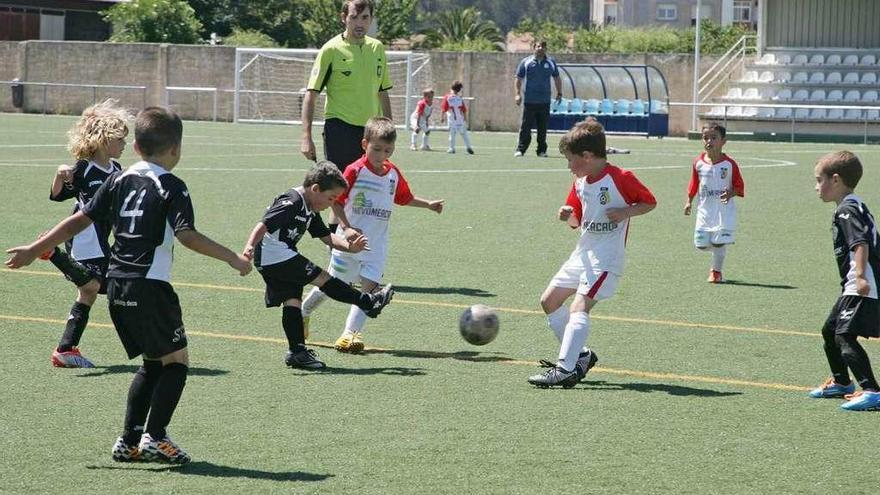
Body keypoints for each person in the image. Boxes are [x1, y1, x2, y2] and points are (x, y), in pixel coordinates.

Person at [6, 106, 253, 463]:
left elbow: (79, 219)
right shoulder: (171, 185)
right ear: (176, 149)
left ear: (136, 147)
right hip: (149, 285)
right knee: (177, 362)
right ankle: (156, 436)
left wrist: (35, 249)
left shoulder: (119, 179)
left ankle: (129, 440)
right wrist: (232, 257)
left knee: (154, 363)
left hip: (117, 283)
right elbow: (187, 235)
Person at [529, 119, 656, 388]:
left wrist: (625, 212)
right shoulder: (579, 182)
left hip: (606, 257)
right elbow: (577, 222)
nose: (569, 166)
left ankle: (565, 369)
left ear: (587, 157)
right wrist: (567, 215)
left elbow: (649, 202)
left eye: (570, 160)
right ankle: (582, 355)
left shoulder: (621, 178)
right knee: (549, 301)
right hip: (582, 254)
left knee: (579, 307)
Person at [300, 117, 444, 353]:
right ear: (365, 144)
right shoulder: (354, 171)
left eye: (387, 150)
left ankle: (350, 334)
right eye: (376, 149)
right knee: (334, 285)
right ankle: (305, 311)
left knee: (368, 289)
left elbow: (404, 198)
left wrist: (428, 204)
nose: (381, 155)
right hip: (349, 243)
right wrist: (346, 228)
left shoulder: (393, 173)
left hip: (376, 246)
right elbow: (335, 201)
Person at [243, 161, 396, 369]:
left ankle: (297, 352)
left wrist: (352, 247)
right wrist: (249, 246)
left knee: (292, 301)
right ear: (315, 189)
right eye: (330, 198)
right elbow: (263, 224)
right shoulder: (292, 201)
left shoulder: (310, 207)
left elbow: (327, 237)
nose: (331, 203)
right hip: (274, 255)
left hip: (278, 256)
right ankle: (367, 302)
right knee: (322, 277)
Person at [41, 99, 129, 369]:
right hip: (84, 233)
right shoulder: (83, 168)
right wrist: (59, 174)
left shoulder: (116, 170)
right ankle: (52, 252)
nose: (125, 144)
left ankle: (65, 350)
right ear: (104, 140)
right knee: (92, 285)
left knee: (91, 292)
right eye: (120, 139)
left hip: (104, 236)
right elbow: (57, 196)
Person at [301, 0, 393, 234]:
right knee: (338, 189)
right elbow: (311, 95)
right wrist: (306, 136)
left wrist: (389, 130)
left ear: (371, 19)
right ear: (344, 17)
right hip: (339, 128)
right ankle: (336, 246)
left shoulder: (377, 48)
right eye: (354, 17)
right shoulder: (331, 50)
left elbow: (383, 91)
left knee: (363, 188)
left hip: (370, 132)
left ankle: (351, 240)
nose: (360, 23)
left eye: (365, 18)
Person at [808, 151, 880, 411]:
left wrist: (860, 276)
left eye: (819, 180)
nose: (816, 186)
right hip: (855, 283)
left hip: (862, 283)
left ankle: (872, 390)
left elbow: (860, 243)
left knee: (844, 336)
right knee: (830, 331)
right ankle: (842, 383)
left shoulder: (847, 210)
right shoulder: (852, 205)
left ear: (835, 180)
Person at [683, 122, 744, 283]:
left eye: (714, 138)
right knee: (701, 245)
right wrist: (688, 201)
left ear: (723, 141)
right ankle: (721, 245)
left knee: (718, 244)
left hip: (724, 211)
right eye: (705, 138)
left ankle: (716, 272)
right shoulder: (698, 163)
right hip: (705, 211)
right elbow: (693, 184)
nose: (709, 141)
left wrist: (731, 192)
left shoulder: (730, 165)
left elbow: (740, 186)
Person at [514, 40, 562, 158]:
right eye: (538, 46)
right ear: (534, 48)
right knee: (526, 127)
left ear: (546, 49)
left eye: (543, 46)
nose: (540, 48)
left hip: (544, 101)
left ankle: (541, 150)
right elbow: (518, 78)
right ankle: (521, 149)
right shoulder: (526, 62)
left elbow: (556, 78)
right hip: (529, 100)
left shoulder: (551, 62)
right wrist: (517, 94)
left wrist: (559, 93)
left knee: (542, 128)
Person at [440, 80, 474, 155]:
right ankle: (469, 147)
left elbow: (443, 109)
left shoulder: (447, 97)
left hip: (452, 120)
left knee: (452, 134)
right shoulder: (459, 98)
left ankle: (452, 148)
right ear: (459, 90)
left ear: (451, 87)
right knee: (464, 134)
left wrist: (442, 117)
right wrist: (465, 119)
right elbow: (464, 110)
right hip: (460, 120)